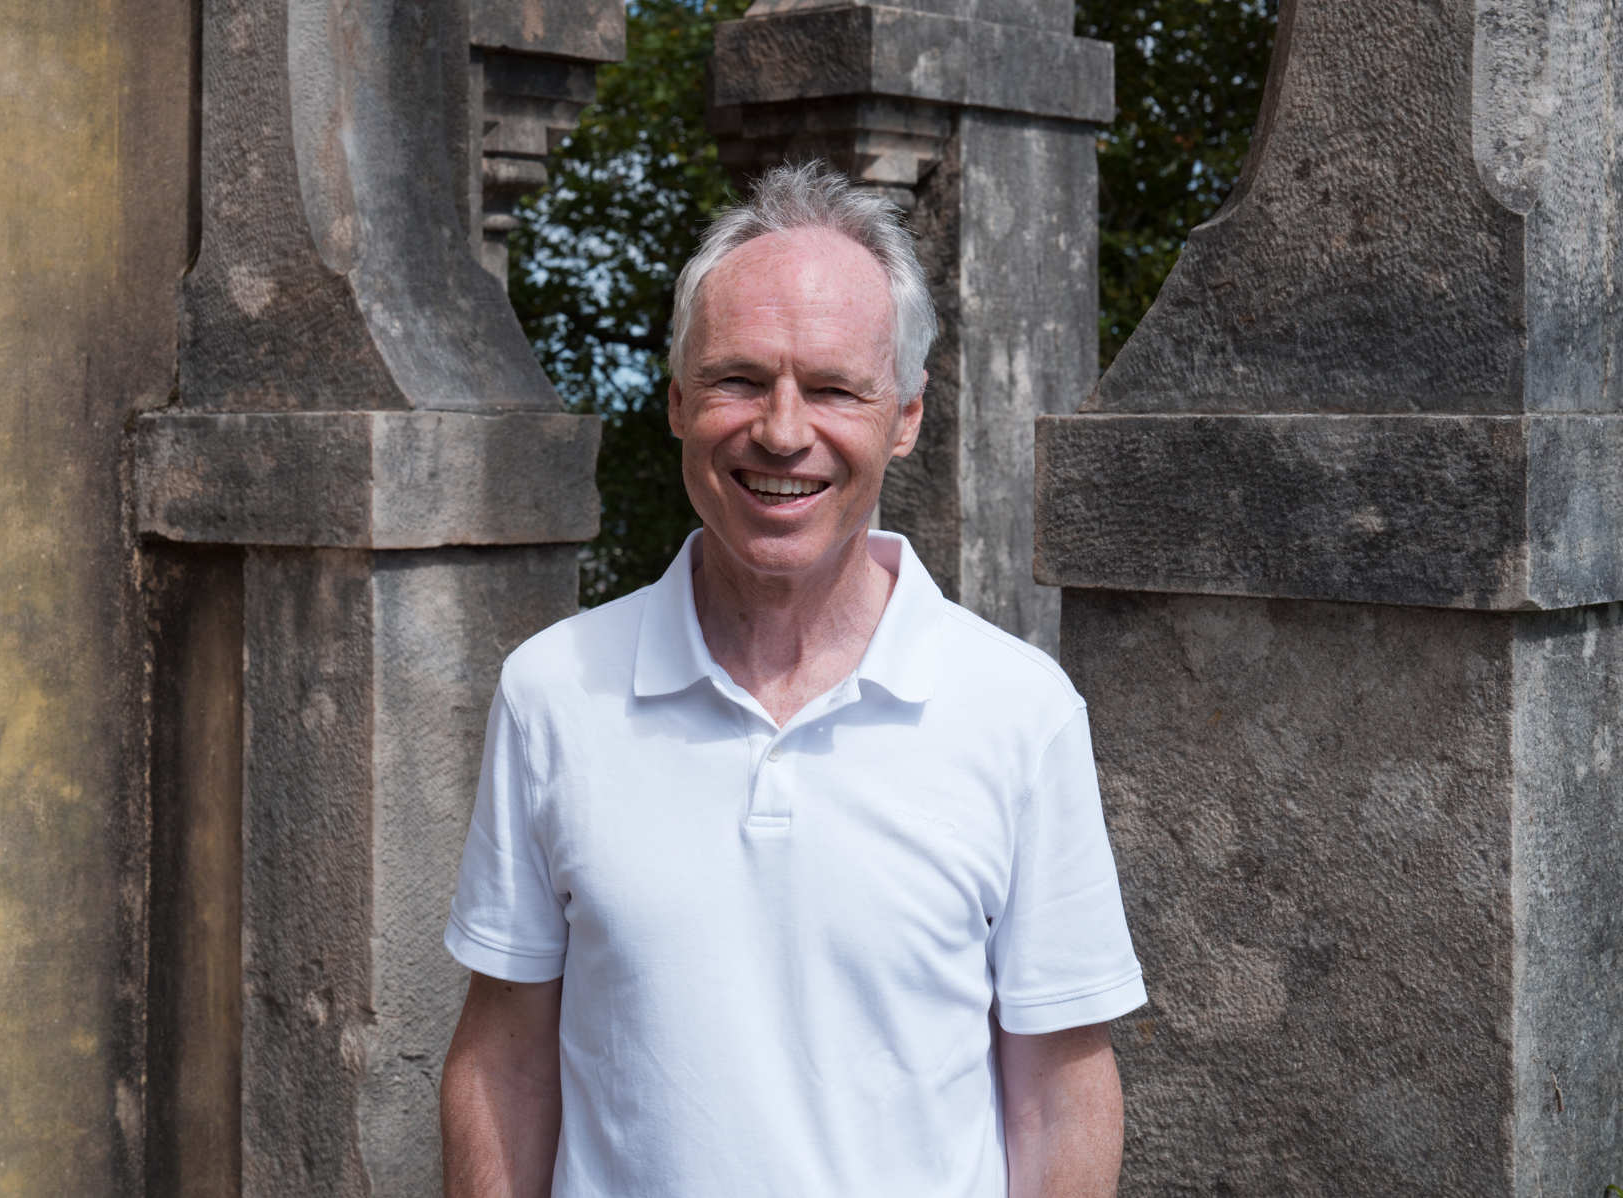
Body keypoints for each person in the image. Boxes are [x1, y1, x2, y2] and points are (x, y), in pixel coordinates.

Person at [439, 161, 1146, 1197]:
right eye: (738, 379)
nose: (780, 430)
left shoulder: (1019, 711)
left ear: (905, 416)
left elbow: (1060, 1098)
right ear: (676, 401)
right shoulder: (552, 693)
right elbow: (503, 1061)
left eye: (832, 388)